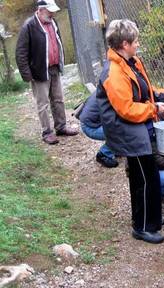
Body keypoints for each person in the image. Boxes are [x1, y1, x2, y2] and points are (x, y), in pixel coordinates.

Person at [97, 19, 164, 244]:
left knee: (148, 175)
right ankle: (142, 227)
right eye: (136, 41)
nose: (138, 44)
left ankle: (152, 219)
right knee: (143, 178)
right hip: (126, 129)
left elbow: (145, 89)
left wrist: (163, 96)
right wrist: (154, 109)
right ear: (124, 43)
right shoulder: (113, 72)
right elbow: (126, 109)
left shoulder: (131, 62)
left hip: (137, 126)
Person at [15, 0, 79, 145]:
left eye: (53, 11)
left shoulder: (53, 22)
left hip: (54, 67)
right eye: (50, 11)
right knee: (42, 103)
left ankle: (61, 126)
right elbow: (20, 52)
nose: (53, 13)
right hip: (39, 71)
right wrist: (27, 74)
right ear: (40, 9)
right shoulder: (29, 26)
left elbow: (57, 43)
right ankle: (46, 132)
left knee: (58, 99)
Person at [79, 93, 119, 168]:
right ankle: (104, 154)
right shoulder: (114, 91)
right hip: (91, 127)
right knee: (122, 131)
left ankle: (115, 148)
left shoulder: (106, 85)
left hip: (89, 122)